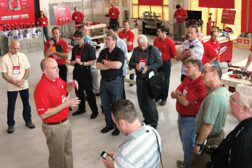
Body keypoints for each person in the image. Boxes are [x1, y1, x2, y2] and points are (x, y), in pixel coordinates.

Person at [34, 58, 80, 168]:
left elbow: (65, 90)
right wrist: (65, 105)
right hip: (54, 128)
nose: (58, 70)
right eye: (54, 68)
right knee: (57, 159)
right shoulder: (41, 89)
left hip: (65, 123)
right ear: (45, 71)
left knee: (68, 153)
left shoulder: (57, 79)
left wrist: (71, 85)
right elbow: (43, 114)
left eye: (57, 67)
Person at [189, 64, 229, 168]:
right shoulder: (223, 90)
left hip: (208, 140)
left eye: (205, 72)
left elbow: (207, 126)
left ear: (214, 73)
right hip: (217, 135)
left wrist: (198, 144)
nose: (202, 75)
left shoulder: (214, 97)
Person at [103, 99, 162, 168]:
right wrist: (118, 156)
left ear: (122, 123)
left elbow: (127, 159)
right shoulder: (153, 132)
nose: (116, 125)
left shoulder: (125, 159)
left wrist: (110, 165)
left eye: (115, 123)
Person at [171, 58, 207, 168]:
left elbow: (185, 102)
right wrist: (181, 97)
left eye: (188, 67)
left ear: (196, 68)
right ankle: (187, 162)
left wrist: (181, 97)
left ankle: (189, 165)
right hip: (182, 117)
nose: (185, 69)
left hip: (191, 120)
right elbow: (175, 92)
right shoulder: (188, 79)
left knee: (189, 145)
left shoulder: (200, 85)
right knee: (185, 143)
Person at [210, 85, 252, 168]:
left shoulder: (243, 138)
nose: (230, 100)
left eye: (234, 100)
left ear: (244, 109)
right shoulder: (243, 127)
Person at [0, 40, 35, 134]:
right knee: (11, 106)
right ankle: (10, 124)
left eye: (18, 48)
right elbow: (4, 74)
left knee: (26, 104)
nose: (16, 50)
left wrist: (23, 80)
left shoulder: (23, 56)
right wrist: (14, 82)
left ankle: (28, 120)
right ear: (10, 47)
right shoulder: (5, 58)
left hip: (23, 85)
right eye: (14, 48)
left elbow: (27, 70)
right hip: (11, 86)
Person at [129, 35, 162, 129]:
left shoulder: (153, 50)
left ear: (147, 42)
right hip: (139, 79)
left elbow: (160, 63)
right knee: (141, 101)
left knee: (150, 102)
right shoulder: (135, 50)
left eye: (144, 45)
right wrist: (136, 65)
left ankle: (154, 121)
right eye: (140, 46)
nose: (142, 48)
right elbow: (130, 62)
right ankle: (147, 118)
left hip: (149, 80)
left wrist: (148, 67)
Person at [96, 32, 125, 136]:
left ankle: (118, 127)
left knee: (116, 106)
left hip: (115, 82)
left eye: (109, 39)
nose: (106, 41)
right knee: (105, 105)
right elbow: (98, 65)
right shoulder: (103, 52)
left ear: (114, 41)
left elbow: (117, 66)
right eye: (106, 39)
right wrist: (110, 65)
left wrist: (106, 63)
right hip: (104, 82)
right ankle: (109, 124)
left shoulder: (119, 52)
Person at [70, 30, 98, 119]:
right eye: (76, 40)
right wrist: (73, 62)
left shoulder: (90, 48)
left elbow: (93, 61)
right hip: (77, 72)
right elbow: (71, 61)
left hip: (86, 72)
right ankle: (81, 108)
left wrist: (83, 63)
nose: (77, 41)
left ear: (83, 38)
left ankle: (94, 111)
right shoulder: (74, 48)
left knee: (89, 93)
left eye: (78, 39)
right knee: (78, 92)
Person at [154, 26, 177, 105]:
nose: (157, 33)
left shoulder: (170, 42)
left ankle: (164, 97)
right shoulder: (156, 41)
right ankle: (157, 96)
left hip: (166, 63)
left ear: (164, 32)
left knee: (165, 80)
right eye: (157, 32)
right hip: (157, 63)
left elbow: (174, 55)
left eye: (159, 32)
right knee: (157, 79)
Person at [107, 24, 128, 98]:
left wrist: (112, 63)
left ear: (116, 32)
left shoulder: (121, 43)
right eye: (108, 33)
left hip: (119, 71)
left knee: (120, 90)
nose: (109, 35)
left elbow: (124, 57)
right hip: (109, 70)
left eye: (110, 33)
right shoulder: (107, 42)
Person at [119, 20, 135, 85]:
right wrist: (125, 42)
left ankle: (131, 80)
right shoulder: (120, 33)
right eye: (124, 25)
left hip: (129, 51)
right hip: (122, 51)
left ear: (129, 25)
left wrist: (123, 42)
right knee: (122, 65)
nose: (125, 26)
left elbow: (130, 43)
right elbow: (119, 42)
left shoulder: (131, 34)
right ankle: (123, 77)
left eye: (127, 25)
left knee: (131, 65)